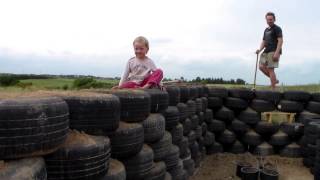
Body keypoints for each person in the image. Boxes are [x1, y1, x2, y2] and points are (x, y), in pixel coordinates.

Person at [256, 12, 283, 90]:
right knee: (261, 67)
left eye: (271, 19)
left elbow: (280, 41)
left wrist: (277, 53)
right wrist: (259, 50)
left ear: (274, 19)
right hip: (266, 50)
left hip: (274, 51)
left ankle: (273, 89)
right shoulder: (266, 30)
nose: (269, 21)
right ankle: (275, 80)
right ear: (266, 20)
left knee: (271, 69)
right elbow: (264, 41)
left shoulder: (277, 28)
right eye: (268, 19)